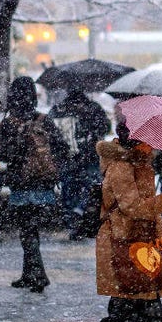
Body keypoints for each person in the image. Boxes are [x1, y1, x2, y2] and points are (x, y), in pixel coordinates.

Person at [67, 121, 162, 322]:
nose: (152, 145)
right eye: (147, 140)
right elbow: (132, 208)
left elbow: (147, 207)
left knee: (150, 309)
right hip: (120, 244)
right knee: (127, 310)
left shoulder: (142, 164)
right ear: (134, 141)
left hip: (141, 245)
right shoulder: (119, 167)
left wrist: (160, 230)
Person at [0, 76, 69, 293]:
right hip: (43, 185)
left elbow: (4, 154)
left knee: (26, 230)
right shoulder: (44, 120)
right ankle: (29, 274)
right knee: (31, 229)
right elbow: (62, 148)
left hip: (22, 185)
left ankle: (38, 275)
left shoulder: (9, 123)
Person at [49, 88, 111, 239]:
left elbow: (50, 133)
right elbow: (106, 128)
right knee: (91, 190)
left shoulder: (58, 110)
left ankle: (72, 222)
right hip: (90, 158)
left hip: (67, 159)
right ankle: (81, 214)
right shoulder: (94, 108)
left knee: (69, 190)